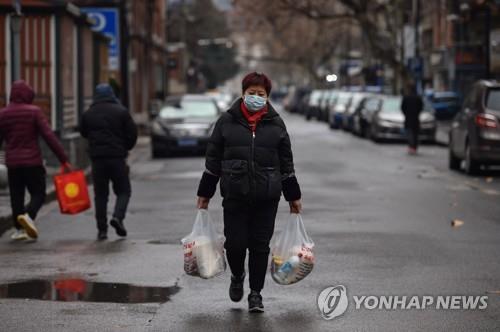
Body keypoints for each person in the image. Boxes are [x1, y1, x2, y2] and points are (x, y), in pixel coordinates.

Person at [196, 72, 303, 313]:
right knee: (235, 244)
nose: (256, 97)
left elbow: (286, 163)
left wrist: (293, 196)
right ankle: (237, 275)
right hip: (235, 195)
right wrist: (205, 193)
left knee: (259, 246)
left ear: (267, 97)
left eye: (261, 94)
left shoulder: (276, 124)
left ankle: (256, 294)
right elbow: (213, 160)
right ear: (243, 94)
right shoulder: (226, 122)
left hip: (267, 197)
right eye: (251, 93)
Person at [0, 80, 69, 241]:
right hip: (33, 162)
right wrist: (63, 159)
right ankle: (29, 216)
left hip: (13, 163)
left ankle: (19, 229)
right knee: (38, 193)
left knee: (16, 196)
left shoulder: (3, 114)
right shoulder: (34, 112)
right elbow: (49, 136)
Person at [80, 84, 137, 240]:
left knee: (100, 195)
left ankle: (102, 230)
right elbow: (132, 133)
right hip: (117, 157)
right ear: (112, 94)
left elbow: (83, 132)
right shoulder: (121, 112)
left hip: (97, 159)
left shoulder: (88, 114)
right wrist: (126, 147)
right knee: (124, 191)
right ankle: (118, 217)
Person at [401, 83, 423, 155]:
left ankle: (411, 147)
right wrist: (417, 113)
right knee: (415, 134)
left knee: (410, 133)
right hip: (416, 118)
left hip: (408, 118)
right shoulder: (418, 98)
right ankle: (414, 147)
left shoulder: (406, 97)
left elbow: (402, 107)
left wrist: (406, 113)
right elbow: (421, 107)